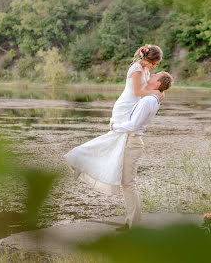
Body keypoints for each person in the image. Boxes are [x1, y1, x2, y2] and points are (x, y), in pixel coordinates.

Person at [65, 45, 164, 195]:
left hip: (133, 107)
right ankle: (78, 157)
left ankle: (96, 168)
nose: (155, 66)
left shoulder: (146, 70)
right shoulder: (136, 68)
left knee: (116, 143)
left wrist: (157, 94)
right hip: (125, 106)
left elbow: (144, 92)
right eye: (155, 63)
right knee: (114, 138)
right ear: (149, 59)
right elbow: (137, 91)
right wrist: (156, 92)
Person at [110, 72, 174, 231]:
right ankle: (130, 221)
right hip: (130, 141)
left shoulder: (147, 101)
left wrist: (114, 127)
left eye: (154, 77)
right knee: (126, 183)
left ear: (158, 84)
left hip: (133, 142)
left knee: (128, 183)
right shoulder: (151, 98)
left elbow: (133, 125)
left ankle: (134, 225)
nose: (150, 77)